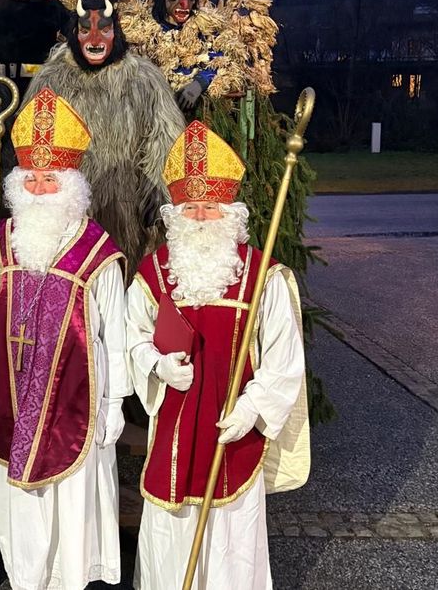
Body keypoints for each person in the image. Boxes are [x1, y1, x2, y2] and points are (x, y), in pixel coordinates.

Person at [126, 120, 310, 590]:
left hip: (233, 436)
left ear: (231, 210)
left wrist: (252, 408)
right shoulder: (154, 274)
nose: (201, 217)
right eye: (191, 208)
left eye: (211, 206)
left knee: (231, 546)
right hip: (173, 431)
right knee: (172, 542)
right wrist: (156, 365)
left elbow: (284, 359)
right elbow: (132, 338)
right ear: (175, 212)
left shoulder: (261, 276)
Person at [0, 87, 130, 590]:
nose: (39, 188)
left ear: (71, 184)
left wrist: (117, 400)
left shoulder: (95, 249)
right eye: (30, 178)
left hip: (78, 400)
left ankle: (70, 580)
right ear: (16, 182)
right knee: (19, 503)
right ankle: (24, 579)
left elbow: (115, 330)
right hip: (13, 396)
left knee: (72, 499)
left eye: (49, 179)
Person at [23, 0, 185, 278]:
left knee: (121, 276)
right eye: (85, 30)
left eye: (104, 30)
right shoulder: (51, 78)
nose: (95, 38)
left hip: (124, 203)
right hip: (66, 205)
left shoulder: (144, 79)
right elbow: (33, 141)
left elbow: (165, 141)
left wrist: (159, 196)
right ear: (74, 33)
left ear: (116, 33)